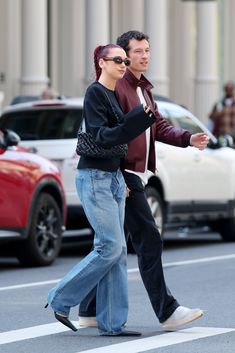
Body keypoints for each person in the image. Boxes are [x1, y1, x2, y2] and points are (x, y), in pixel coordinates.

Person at [78, 30, 209, 331]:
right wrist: (117, 174)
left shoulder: (143, 88)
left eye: (147, 50)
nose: (144, 56)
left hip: (134, 175)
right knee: (147, 239)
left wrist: (188, 137)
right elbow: (115, 132)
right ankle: (167, 311)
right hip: (123, 175)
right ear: (122, 56)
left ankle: (88, 309)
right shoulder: (117, 87)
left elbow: (158, 127)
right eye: (137, 51)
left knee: (111, 244)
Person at [46, 43, 156, 336]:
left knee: (118, 253)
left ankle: (112, 323)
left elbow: (117, 141)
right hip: (94, 177)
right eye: (117, 60)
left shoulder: (112, 95)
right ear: (101, 62)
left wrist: (121, 178)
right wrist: (136, 123)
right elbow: (102, 136)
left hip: (113, 178)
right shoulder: (95, 93)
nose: (123, 64)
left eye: (124, 60)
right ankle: (60, 297)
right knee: (110, 247)